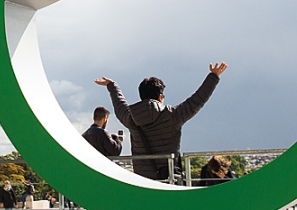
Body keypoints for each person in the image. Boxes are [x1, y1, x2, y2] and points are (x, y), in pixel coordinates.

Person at [95, 62, 227, 180]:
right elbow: (197, 100)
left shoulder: (131, 118)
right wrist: (213, 76)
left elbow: (120, 105)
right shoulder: (172, 115)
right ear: (160, 97)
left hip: (142, 181)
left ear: (142, 96)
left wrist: (112, 86)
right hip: (168, 179)